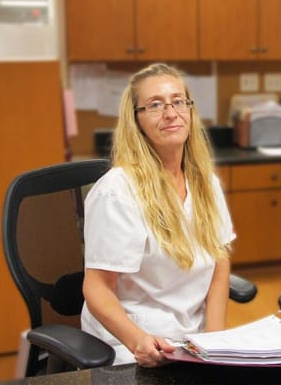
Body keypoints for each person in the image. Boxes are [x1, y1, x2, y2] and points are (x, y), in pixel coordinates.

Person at [81, 63, 234, 367]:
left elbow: (220, 263)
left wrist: (215, 342)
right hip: (132, 342)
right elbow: (96, 287)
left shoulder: (205, 183)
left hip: (193, 339)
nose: (170, 112)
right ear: (135, 120)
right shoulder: (118, 191)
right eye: (154, 105)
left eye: (178, 101)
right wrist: (138, 341)